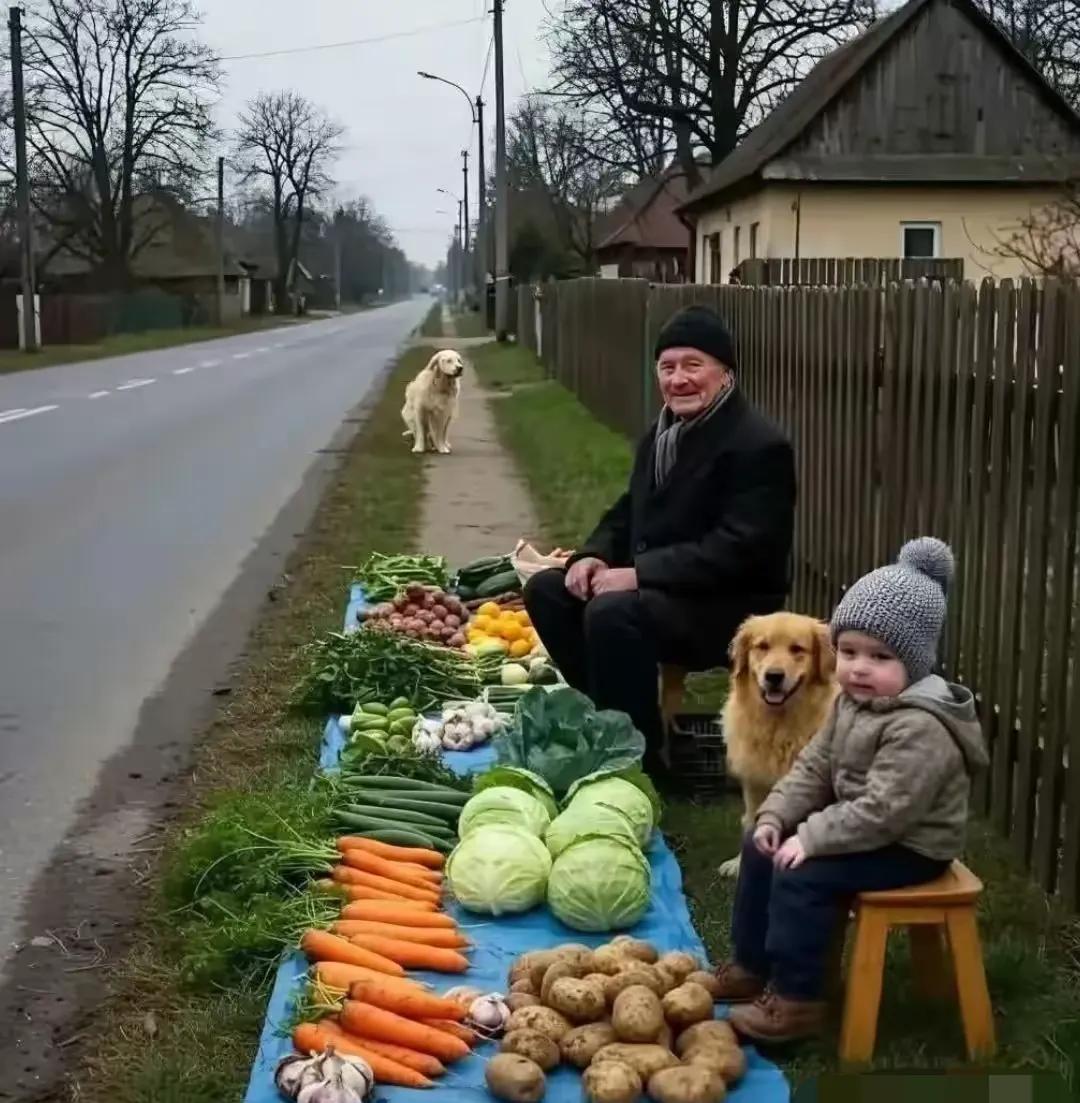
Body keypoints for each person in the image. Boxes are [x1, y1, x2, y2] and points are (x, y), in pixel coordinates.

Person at [714, 538, 989, 1044]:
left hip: (910, 846)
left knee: (803, 873)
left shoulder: (919, 728)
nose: (859, 667)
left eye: (880, 656)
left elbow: (884, 811)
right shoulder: (853, 704)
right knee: (760, 843)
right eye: (849, 652)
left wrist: (811, 838)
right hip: (865, 827)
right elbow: (813, 769)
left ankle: (799, 1000)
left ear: (916, 662)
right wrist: (774, 816)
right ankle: (751, 965)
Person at [523, 304, 796, 768]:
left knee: (613, 613)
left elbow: (740, 548)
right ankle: (610, 723)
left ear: (725, 372)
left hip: (728, 603)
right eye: (667, 367)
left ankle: (639, 763)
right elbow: (629, 511)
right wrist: (590, 556)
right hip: (668, 592)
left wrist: (639, 575)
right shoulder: (663, 434)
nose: (678, 379)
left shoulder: (759, 446)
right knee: (547, 589)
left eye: (694, 365)